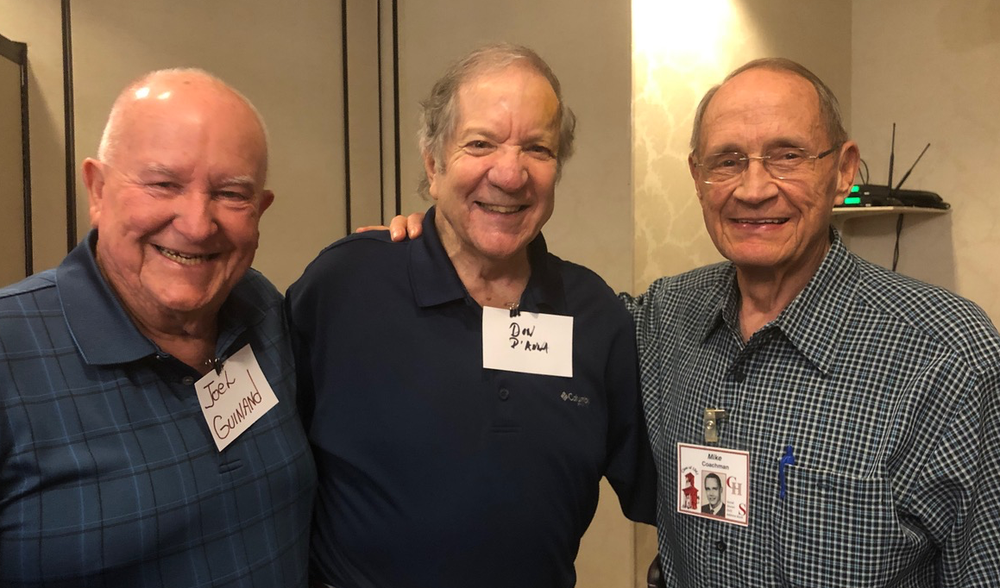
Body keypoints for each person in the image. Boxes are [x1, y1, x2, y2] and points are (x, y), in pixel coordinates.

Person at [388, 58, 1000, 586]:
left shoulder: (947, 356)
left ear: (843, 170)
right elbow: (524, 324)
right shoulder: (661, 318)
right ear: (697, 178)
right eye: (726, 161)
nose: (754, 189)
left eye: (787, 156)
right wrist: (433, 244)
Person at [286, 43, 655, 588]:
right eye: (480, 143)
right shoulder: (344, 286)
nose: (509, 174)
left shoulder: (595, 315)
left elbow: (662, 494)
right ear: (433, 164)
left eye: (537, 148)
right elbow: (264, 469)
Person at [0, 69, 316, 587]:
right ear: (98, 189)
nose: (197, 224)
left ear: (260, 210)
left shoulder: (261, 309)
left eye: (231, 194)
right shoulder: (9, 350)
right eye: (163, 184)